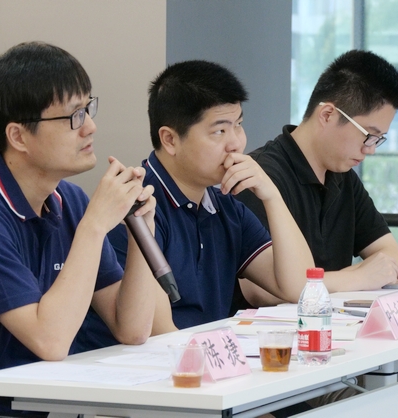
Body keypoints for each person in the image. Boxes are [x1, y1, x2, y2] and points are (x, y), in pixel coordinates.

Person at [0, 41, 162, 415]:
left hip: (57, 402)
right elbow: (51, 342)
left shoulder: (69, 199)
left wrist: (140, 229)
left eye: (88, 108)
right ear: (18, 136)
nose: (90, 126)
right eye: (74, 116)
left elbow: (132, 329)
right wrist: (94, 226)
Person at [74, 59, 314, 351]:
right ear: (170, 140)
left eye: (238, 125)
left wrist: (271, 195)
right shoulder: (137, 206)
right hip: (148, 369)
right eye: (219, 131)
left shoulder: (225, 205)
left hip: (200, 365)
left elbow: (300, 288)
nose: (236, 144)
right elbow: (162, 334)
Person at [234, 49, 398, 309]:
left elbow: (396, 263)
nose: (371, 149)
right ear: (327, 115)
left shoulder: (344, 177)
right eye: (368, 135)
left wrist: (326, 282)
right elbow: (259, 291)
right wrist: (358, 276)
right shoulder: (261, 177)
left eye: (378, 139)